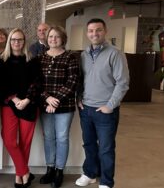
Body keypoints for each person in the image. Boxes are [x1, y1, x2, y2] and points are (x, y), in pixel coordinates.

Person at [75, 19, 129, 188]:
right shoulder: (84, 54)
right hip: (86, 109)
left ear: (105, 31)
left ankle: (106, 181)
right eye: (91, 31)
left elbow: (123, 82)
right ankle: (90, 173)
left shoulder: (115, 53)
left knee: (106, 148)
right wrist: (79, 98)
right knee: (89, 144)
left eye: (98, 30)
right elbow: (81, 80)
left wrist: (110, 105)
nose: (94, 34)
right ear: (87, 33)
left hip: (106, 111)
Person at [38, 26, 80, 188]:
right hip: (45, 105)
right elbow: (37, 82)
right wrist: (47, 98)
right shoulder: (41, 57)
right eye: (50, 36)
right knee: (48, 137)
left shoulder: (70, 57)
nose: (53, 39)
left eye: (56, 37)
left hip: (64, 105)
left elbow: (72, 81)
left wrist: (55, 100)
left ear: (63, 39)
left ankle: (59, 171)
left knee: (62, 138)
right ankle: (50, 168)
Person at [0, 28, 40, 188]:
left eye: (20, 39)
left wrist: (27, 100)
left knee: (25, 143)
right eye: (14, 39)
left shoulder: (32, 61)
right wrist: (15, 99)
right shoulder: (2, 60)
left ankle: (19, 175)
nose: (17, 42)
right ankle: (25, 172)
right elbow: (1, 85)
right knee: (9, 140)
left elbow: (37, 83)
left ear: (24, 42)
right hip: (9, 104)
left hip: (29, 105)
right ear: (9, 41)